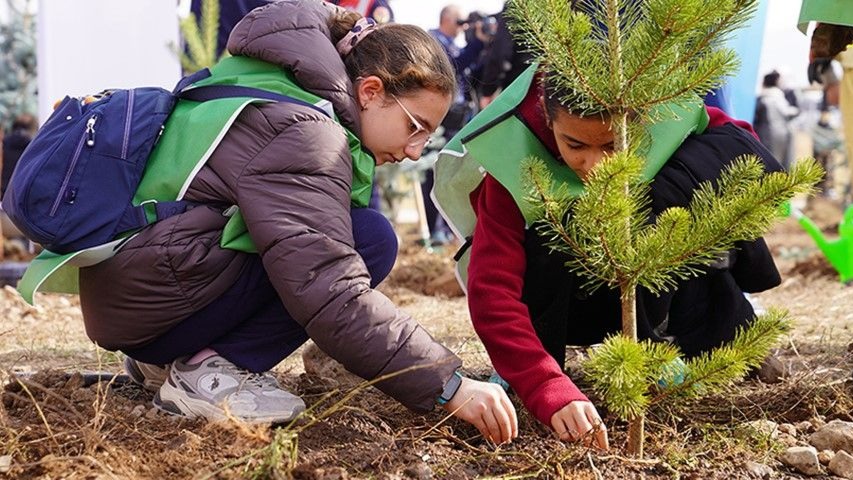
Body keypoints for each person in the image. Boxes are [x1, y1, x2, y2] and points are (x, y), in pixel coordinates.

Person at [79, 0, 517, 444]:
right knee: (369, 239)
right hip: (152, 307)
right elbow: (328, 288)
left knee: (349, 232)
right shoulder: (308, 134)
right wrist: (447, 385)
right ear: (369, 91)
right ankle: (206, 373)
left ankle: (170, 360)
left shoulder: (284, 88)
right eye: (415, 127)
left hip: (137, 299)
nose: (415, 150)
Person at [435, 61, 784, 450]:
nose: (596, 167)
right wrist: (544, 384)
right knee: (550, 229)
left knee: (679, 195)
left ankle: (676, 340)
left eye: (612, 145)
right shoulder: (515, 173)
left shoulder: (665, 121)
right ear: (550, 123)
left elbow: (743, 147)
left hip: (659, 295)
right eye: (576, 146)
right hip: (568, 303)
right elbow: (493, 293)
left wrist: (663, 191)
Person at [754, 71, 799, 169]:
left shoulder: (763, 98)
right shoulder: (780, 97)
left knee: (769, 162)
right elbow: (789, 112)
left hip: (767, 135)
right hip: (784, 133)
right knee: (784, 163)